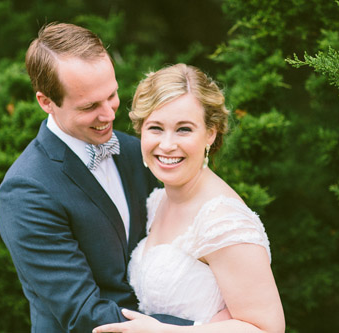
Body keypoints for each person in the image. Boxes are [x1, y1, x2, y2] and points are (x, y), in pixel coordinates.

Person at [0, 23, 193, 332]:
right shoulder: (27, 189)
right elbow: (82, 314)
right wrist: (197, 327)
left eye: (112, 95)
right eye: (90, 106)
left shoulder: (135, 151)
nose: (110, 114)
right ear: (46, 101)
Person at [93, 64, 285, 333]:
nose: (168, 144)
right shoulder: (158, 200)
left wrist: (163, 332)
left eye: (184, 129)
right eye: (156, 128)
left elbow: (267, 329)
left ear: (210, 132)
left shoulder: (223, 220)